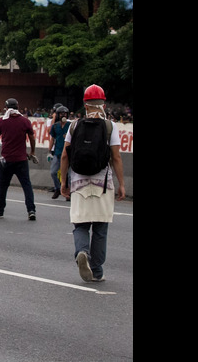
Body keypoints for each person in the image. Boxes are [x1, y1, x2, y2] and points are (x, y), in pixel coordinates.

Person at [59, 85, 125, 282]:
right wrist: (121, 183)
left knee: (80, 226)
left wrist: (64, 182)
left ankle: (82, 252)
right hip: (102, 184)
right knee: (100, 228)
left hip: (79, 183)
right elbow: (116, 158)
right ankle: (96, 271)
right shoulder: (109, 126)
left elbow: (64, 156)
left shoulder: (73, 126)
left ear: (85, 104)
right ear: (103, 103)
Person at [0, 98, 38, 220]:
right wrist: (32, 151)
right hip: (21, 159)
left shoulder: (2, 121)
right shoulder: (25, 121)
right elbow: (32, 137)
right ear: (17, 107)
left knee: (3, 186)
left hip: (6, 159)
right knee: (26, 185)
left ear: (6, 108)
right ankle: (31, 210)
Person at [48, 106, 71, 200]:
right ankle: (57, 188)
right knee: (53, 172)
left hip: (68, 153)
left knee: (68, 174)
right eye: (61, 113)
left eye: (65, 113)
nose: (63, 115)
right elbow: (52, 139)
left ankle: (68, 192)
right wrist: (49, 151)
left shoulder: (70, 125)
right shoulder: (55, 126)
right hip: (57, 152)